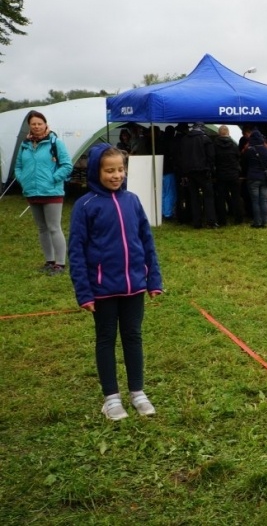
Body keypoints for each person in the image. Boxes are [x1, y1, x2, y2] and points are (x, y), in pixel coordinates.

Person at [68, 143, 163, 421]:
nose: (116, 175)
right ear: (96, 172)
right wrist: (84, 293)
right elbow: (76, 251)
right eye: (109, 170)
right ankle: (111, 398)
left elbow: (146, 242)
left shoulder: (132, 200)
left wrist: (153, 279)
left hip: (134, 286)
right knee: (106, 339)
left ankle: (137, 392)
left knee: (133, 336)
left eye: (120, 169)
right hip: (102, 290)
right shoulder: (85, 206)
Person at [13, 110, 74, 275]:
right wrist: (23, 180)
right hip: (32, 191)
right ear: (29, 126)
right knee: (42, 228)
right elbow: (18, 166)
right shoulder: (25, 145)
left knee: (54, 227)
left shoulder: (55, 143)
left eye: (39, 123)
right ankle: (49, 261)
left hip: (51, 191)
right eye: (33, 124)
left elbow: (67, 165)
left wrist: (54, 179)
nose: (37, 126)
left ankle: (60, 264)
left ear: (45, 124)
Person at [179, 122, 218, 229]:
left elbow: (182, 156)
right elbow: (211, 156)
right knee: (208, 196)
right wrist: (210, 168)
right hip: (203, 171)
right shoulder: (205, 139)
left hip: (189, 172)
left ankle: (197, 222)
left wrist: (184, 172)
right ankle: (210, 221)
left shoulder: (185, 139)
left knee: (194, 197)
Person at [241, 130, 267, 228]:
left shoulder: (249, 150)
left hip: (252, 177)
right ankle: (265, 222)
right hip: (264, 178)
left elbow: (243, 163)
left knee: (255, 201)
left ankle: (257, 222)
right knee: (264, 200)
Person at [213, 125, 244, 225]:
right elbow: (238, 157)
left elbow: (213, 159)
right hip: (233, 174)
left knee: (221, 198)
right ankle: (238, 219)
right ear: (228, 133)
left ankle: (222, 220)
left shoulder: (215, 145)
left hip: (221, 174)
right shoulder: (233, 145)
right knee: (236, 197)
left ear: (218, 133)